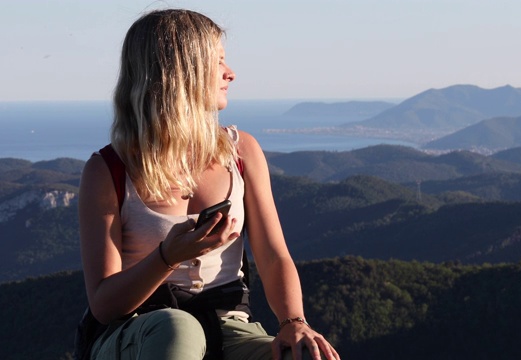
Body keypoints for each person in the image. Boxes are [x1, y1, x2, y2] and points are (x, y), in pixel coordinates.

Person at [78, 8, 339, 360]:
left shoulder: (242, 151)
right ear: (180, 72)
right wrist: (167, 257)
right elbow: (104, 305)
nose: (230, 74)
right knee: (178, 330)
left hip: (227, 325)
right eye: (217, 62)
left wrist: (294, 321)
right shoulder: (108, 171)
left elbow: (274, 255)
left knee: (303, 355)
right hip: (135, 331)